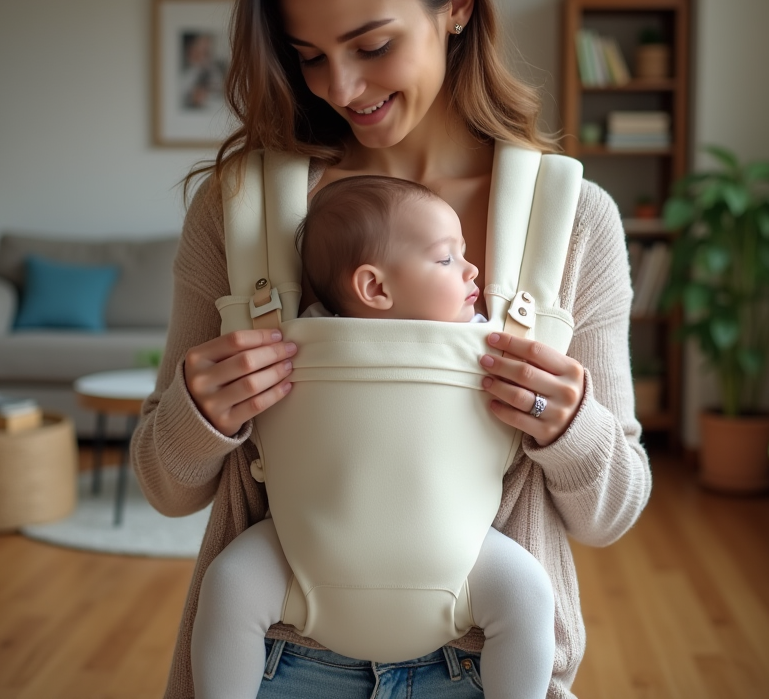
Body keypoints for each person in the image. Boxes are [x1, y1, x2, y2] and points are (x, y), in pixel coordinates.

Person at [130, 0, 652, 696]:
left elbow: (612, 514)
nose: (341, 86)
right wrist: (197, 415)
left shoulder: (573, 220)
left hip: (483, 666)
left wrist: (572, 426)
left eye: (371, 45)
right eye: (307, 56)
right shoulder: (240, 215)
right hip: (274, 660)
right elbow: (166, 488)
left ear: (456, 5)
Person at [190, 175, 556, 699]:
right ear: (375, 288)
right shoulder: (304, 332)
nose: (473, 268)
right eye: (447, 258)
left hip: (462, 558)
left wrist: (568, 422)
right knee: (229, 584)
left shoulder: (485, 334)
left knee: (527, 592)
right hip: (301, 551)